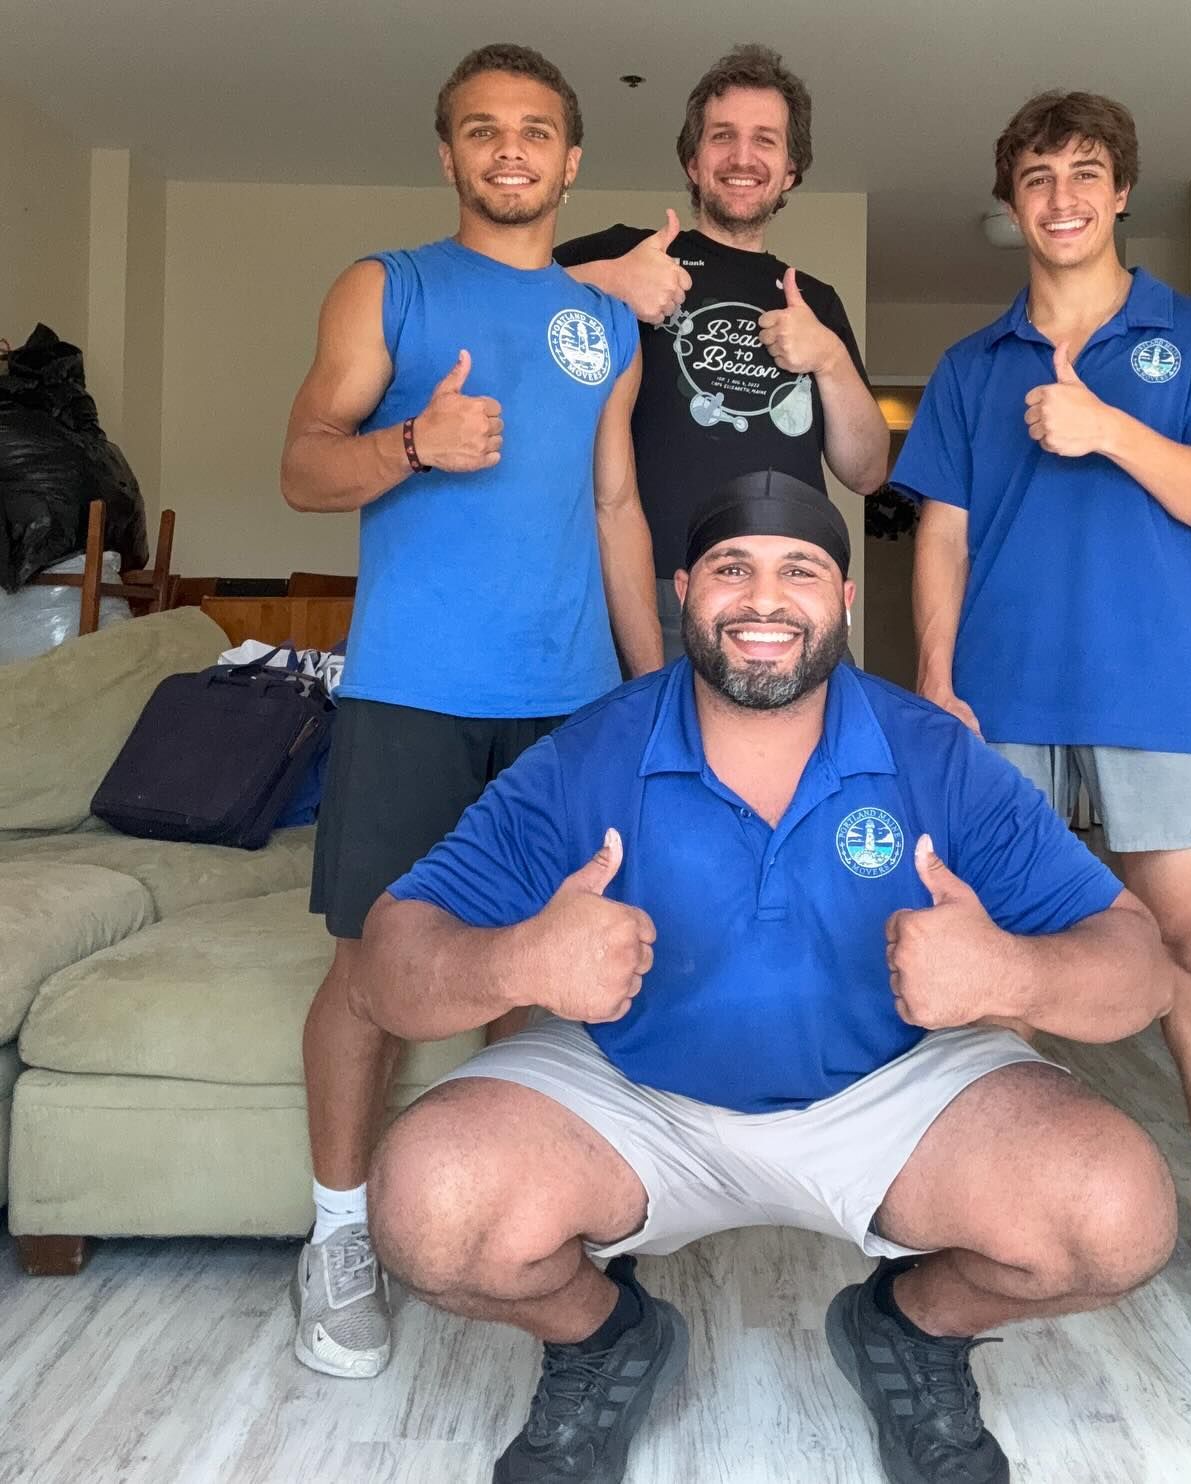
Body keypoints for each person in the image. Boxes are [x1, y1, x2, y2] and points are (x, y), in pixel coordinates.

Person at [350, 470, 1178, 1484]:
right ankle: (603, 1336)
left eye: (800, 569)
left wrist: (1010, 972)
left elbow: (1139, 963)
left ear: (844, 598)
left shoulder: (937, 757)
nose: (763, 599)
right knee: (428, 1208)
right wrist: (518, 959)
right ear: (685, 589)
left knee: (1118, 1215)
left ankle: (908, 1328)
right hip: (634, 1094)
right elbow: (391, 959)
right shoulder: (589, 754)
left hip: (891, 1092)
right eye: (731, 568)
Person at [893, 90, 1191, 1323]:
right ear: (1012, 202)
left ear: (1121, 191)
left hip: (1158, 692)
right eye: (1037, 176)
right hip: (1002, 699)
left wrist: (1107, 427)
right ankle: (1002, 1196)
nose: (1061, 197)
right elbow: (941, 529)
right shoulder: (968, 366)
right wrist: (936, 677)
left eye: (1085, 172)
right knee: (1005, 955)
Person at [277, 43, 663, 1378]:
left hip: (566, 707)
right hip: (412, 696)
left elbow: (615, 505)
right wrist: (408, 447)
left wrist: (652, 677)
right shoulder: (388, 285)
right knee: (374, 972)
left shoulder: (606, 325)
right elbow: (298, 468)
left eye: (538, 129)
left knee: (536, 975)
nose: (512, 147)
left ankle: (508, 1217)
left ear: (569, 161)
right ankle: (335, 1238)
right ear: (448, 155)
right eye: (484, 128)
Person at [552, 44, 889, 660]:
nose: (742, 157)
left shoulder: (815, 300)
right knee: (648, 757)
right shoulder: (630, 251)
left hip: (791, 594)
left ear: (791, 169)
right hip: (647, 592)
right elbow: (498, 292)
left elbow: (866, 472)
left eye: (766, 140)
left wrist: (831, 359)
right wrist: (605, 279)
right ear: (692, 157)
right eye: (722, 136)